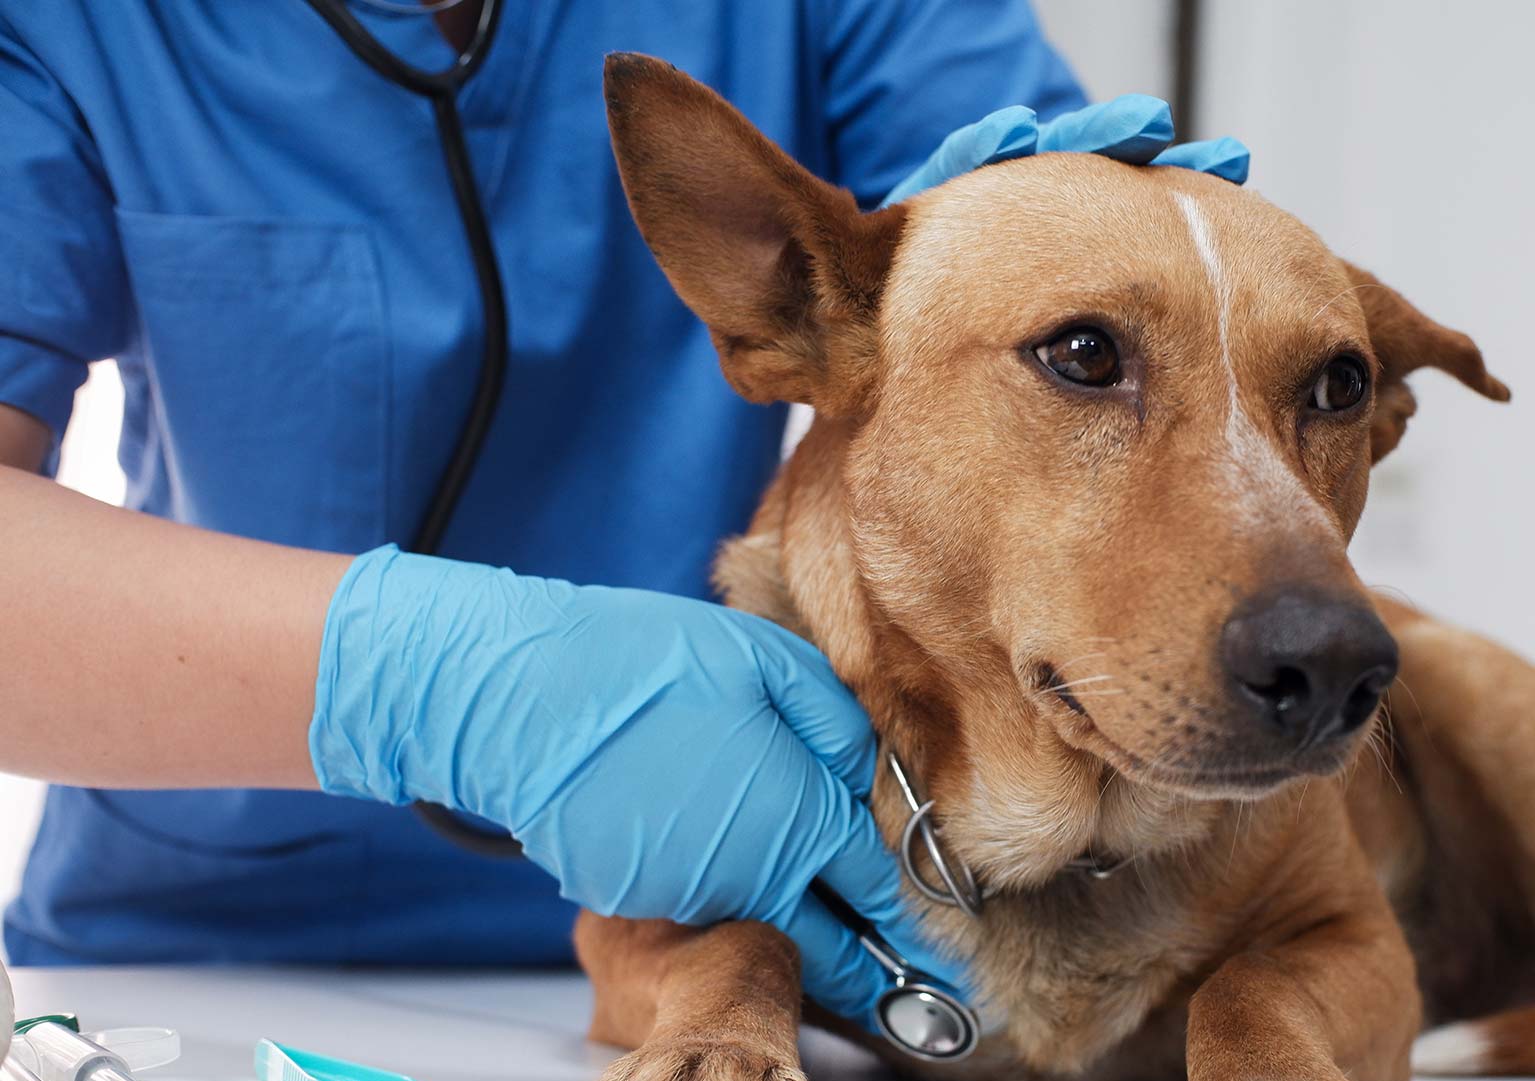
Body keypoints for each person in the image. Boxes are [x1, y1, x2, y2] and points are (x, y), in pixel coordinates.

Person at [0, 1, 1241, 1027]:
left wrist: (1061, 294)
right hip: (176, 973)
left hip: (735, 910)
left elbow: (1028, 261)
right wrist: (435, 682)